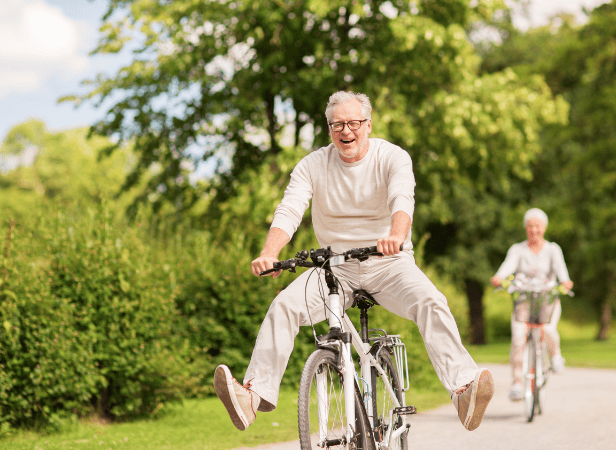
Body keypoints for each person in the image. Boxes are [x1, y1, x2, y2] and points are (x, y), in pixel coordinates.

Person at [213, 91, 494, 432]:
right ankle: (252, 398)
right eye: (338, 125)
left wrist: (396, 234)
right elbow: (290, 209)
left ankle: (463, 391)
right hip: (334, 267)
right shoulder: (313, 164)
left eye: (354, 123)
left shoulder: (391, 157)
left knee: (431, 301)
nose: (346, 131)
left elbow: (402, 198)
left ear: (368, 125)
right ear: (329, 128)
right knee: (283, 306)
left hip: (388, 262)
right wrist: (269, 252)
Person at [490, 208, 573, 402]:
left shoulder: (553, 249)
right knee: (518, 338)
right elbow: (507, 266)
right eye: (530, 226)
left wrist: (565, 282)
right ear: (526, 228)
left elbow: (563, 273)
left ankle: (555, 356)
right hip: (524, 301)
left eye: (537, 226)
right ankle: (517, 384)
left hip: (547, 300)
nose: (533, 230)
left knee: (549, 330)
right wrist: (499, 277)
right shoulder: (518, 250)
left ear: (544, 228)